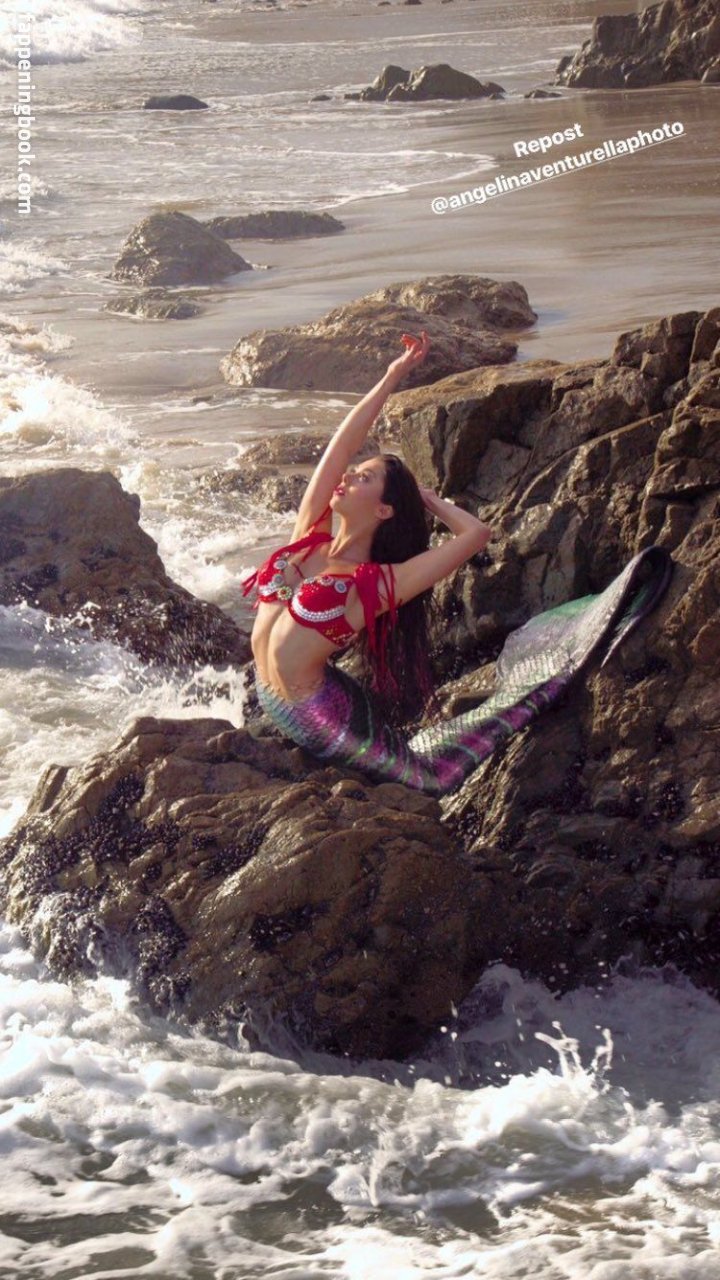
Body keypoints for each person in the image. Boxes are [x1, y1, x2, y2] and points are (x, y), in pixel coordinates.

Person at [241, 332, 674, 797]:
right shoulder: (310, 536)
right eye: (355, 472)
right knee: (416, 760)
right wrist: (392, 376)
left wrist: (429, 501)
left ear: (385, 510)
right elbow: (341, 446)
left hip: (317, 714)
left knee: (432, 778)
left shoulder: (379, 583)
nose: (347, 476)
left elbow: (475, 535)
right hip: (269, 696)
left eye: (364, 478)